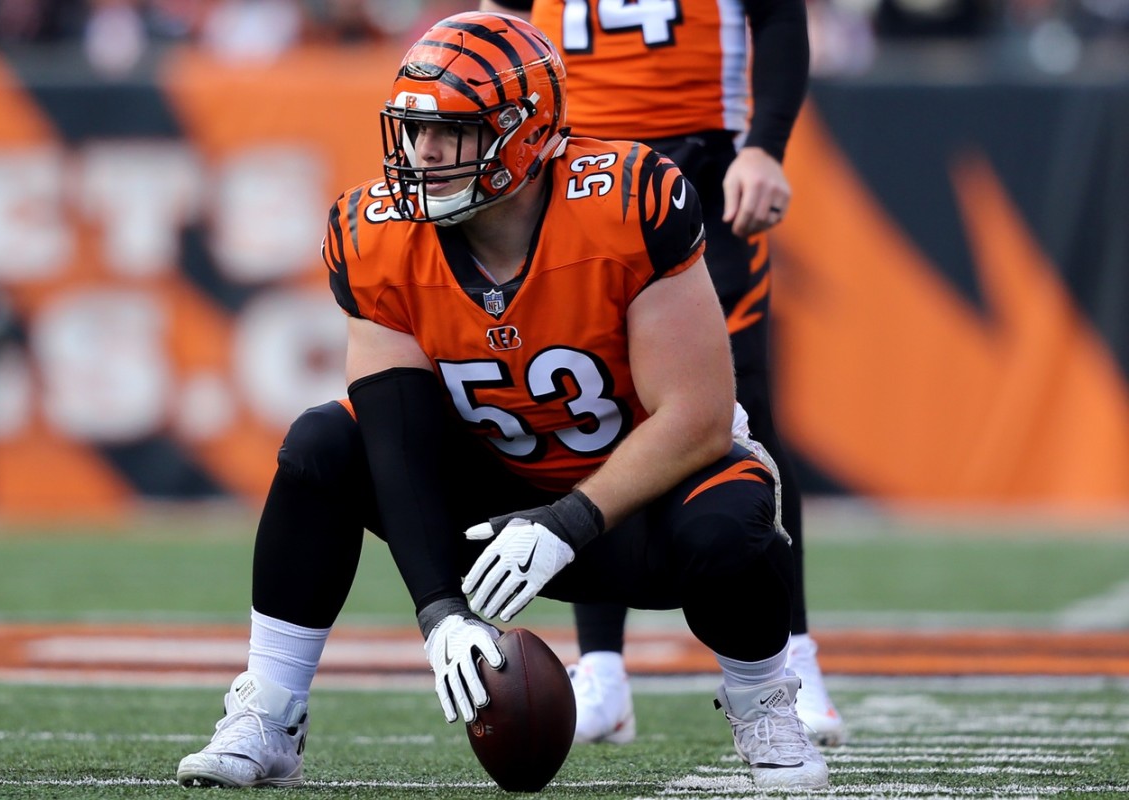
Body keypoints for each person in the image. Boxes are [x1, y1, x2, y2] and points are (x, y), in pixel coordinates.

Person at [176, 11, 829, 792]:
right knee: (322, 444)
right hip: (491, 514)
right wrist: (441, 611)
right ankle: (270, 711)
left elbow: (696, 416)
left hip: (638, 511)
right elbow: (394, 437)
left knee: (734, 516)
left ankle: (765, 704)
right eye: (415, 131)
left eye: (451, 133)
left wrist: (568, 523)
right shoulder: (375, 234)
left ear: (522, 134)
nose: (423, 155)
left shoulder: (628, 202)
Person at [478, 0, 848, 747]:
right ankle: (603, 672)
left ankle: (792, 659)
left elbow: (778, 16)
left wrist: (765, 145)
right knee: (587, 413)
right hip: (574, 166)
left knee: (742, 417)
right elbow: (500, 30)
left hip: (702, 163)